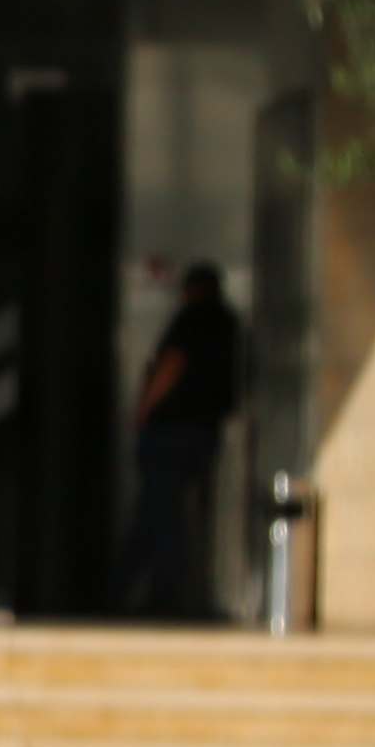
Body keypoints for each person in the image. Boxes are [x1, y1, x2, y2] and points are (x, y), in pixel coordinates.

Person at [108, 257, 243, 619]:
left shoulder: (192, 320)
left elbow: (173, 362)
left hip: (173, 429)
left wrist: (145, 406)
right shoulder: (228, 324)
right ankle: (122, 586)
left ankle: (159, 592)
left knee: (162, 510)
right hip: (204, 429)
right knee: (155, 509)